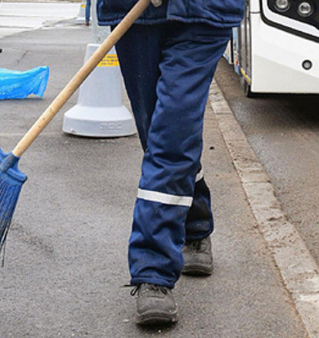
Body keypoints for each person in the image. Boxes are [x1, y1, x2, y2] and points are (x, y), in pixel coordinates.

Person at [97, 0, 244, 326]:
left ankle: (154, 271)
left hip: (207, 12)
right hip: (132, 11)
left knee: (172, 137)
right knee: (156, 136)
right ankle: (195, 224)